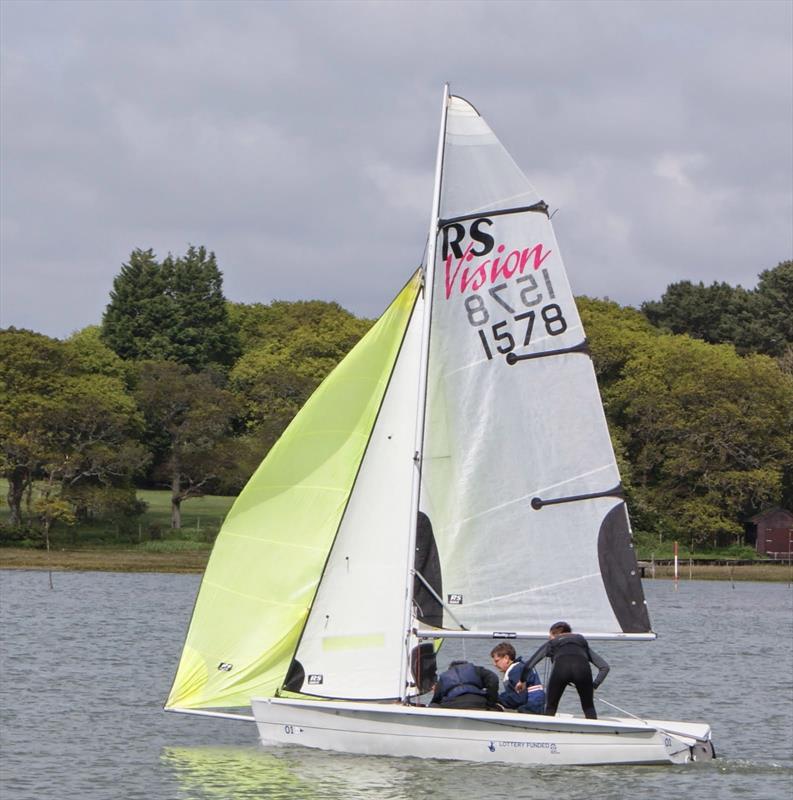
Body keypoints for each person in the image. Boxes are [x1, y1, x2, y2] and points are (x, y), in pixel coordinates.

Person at [524, 621, 609, 720]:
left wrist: (522, 681)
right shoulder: (581, 643)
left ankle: (546, 731)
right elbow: (604, 667)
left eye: (550, 635)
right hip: (582, 671)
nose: (549, 638)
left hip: (561, 671)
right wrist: (593, 686)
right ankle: (595, 731)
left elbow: (529, 665)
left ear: (556, 634)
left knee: (551, 707)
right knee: (588, 707)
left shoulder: (553, 642)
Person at [490, 642, 546, 714]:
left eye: (497, 661)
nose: (495, 664)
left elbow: (519, 698)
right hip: (537, 705)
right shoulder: (519, 667)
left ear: (506, 658)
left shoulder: (515, 670)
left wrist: (496, 699)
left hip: (532, 708)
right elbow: (513, 694)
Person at [428, 659, 500, 710]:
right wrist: (491, 702)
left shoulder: (445, 676)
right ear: (466, 665)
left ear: (450, 669)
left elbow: (436, 700)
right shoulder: (475, 669)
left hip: (454, 705)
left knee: (433, 706)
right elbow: (493, 679)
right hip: (479, 703)